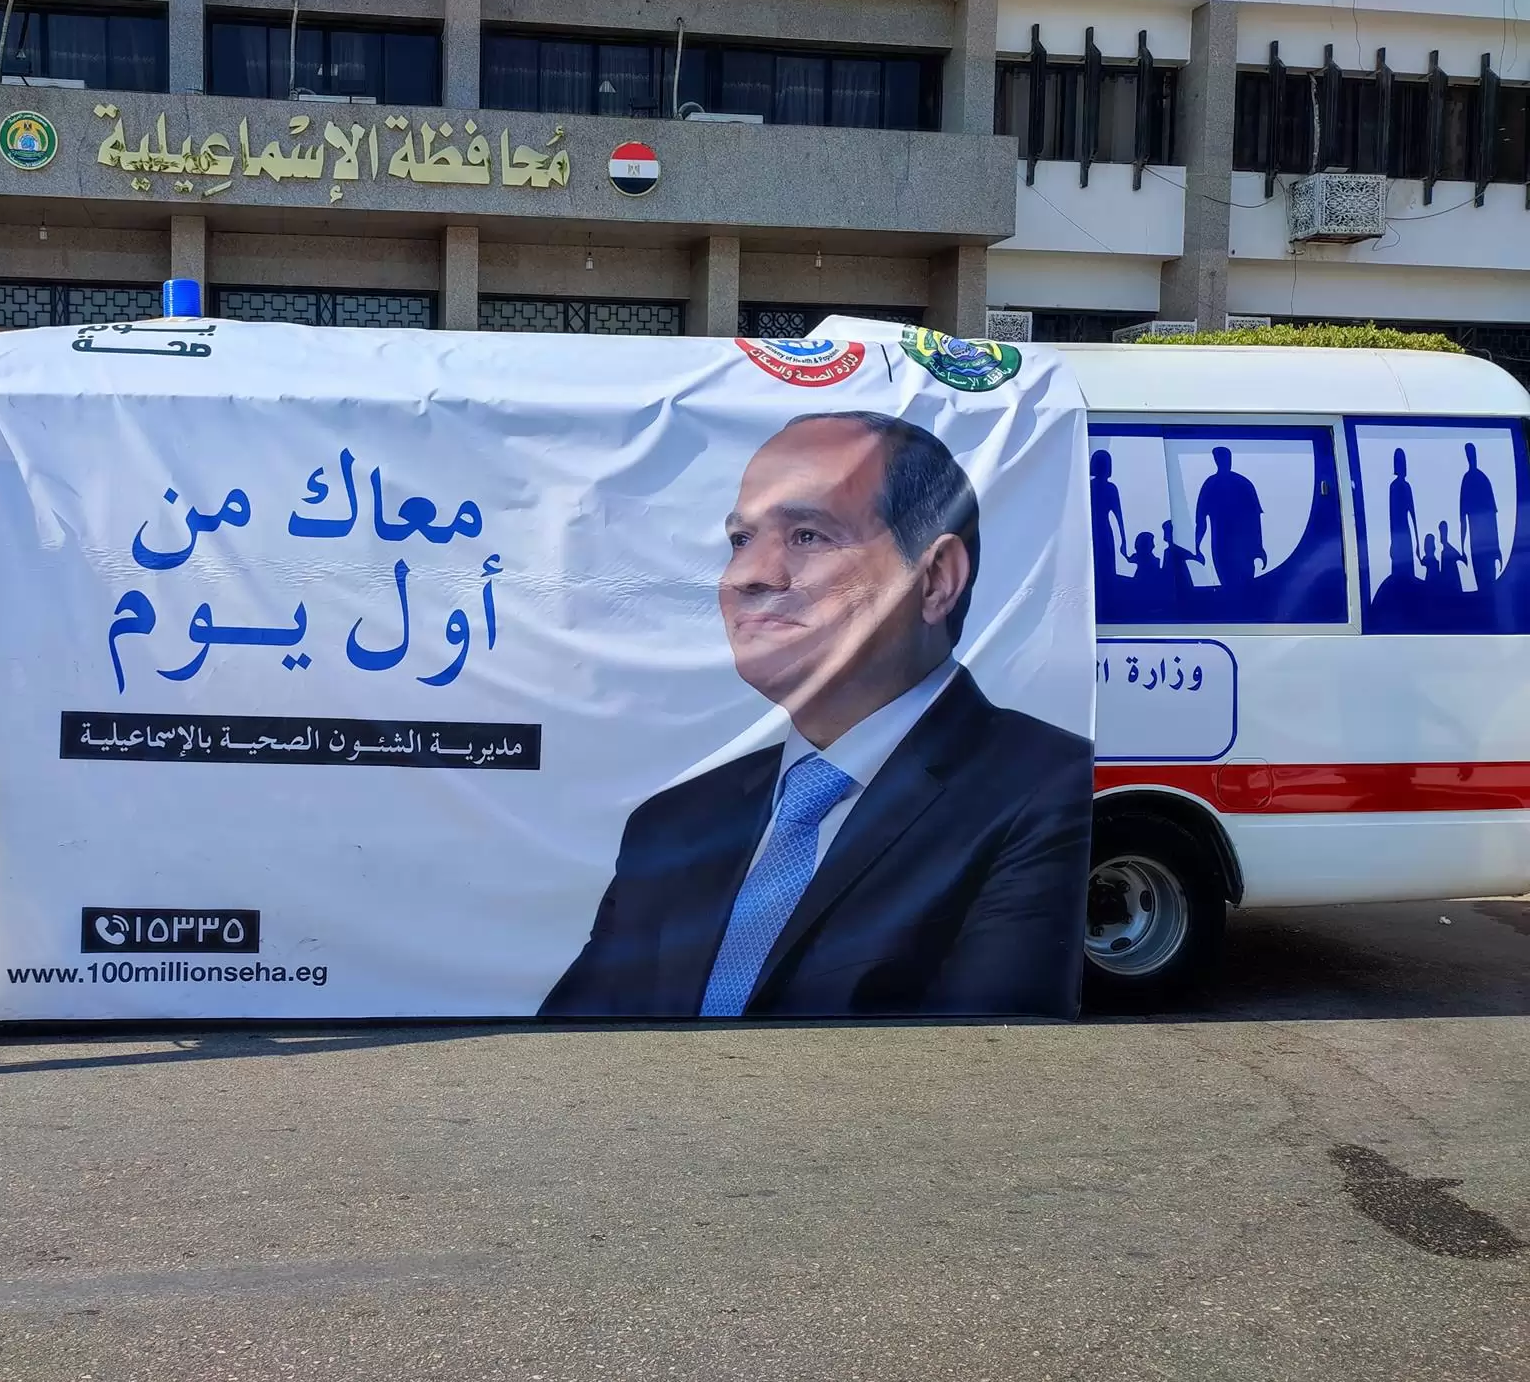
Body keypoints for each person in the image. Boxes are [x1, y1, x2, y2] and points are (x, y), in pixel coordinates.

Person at [541, 412, 1092, 1022]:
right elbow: (574, 1038)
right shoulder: (673, 825)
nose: (747, 576)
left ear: (937, 579)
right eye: (740, 540)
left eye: (807, 535)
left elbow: (989, 1053)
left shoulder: (1046, 791)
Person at [1193, 446, 1266, 592]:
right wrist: (1197, 546)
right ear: (1216, 461)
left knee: (1246, 584)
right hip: (1221, 543)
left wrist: (1258, 546)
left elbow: (1255, 518)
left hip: (1243, 544)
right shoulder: (1210, 485)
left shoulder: (1243, 484)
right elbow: (1201, 521)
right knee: (1227, 582)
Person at [1459, 442, 1502, 594]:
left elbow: (1492, 518)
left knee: (1490, 586)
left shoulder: (1483, 479)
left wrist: (1497, 548)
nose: (1472, 458)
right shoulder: (1467, 480)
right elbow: (1462, 517)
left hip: (1488, 543)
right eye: (1469, 455)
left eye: (1473, 454)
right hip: (1476, 543)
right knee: (1481, 584)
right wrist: (1462, 546)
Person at [1089, 449, 1129, 586]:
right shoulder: (1105, 488)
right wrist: (1124, 541)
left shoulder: (1094, 487)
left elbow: (1119, 516)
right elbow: (1119, 517)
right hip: (1100, 530)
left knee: (1103, 565)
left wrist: (1124, 541)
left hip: (1099, 530)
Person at [1386, 448, 1419, 581]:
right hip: (1399, 533)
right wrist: (1392, 541)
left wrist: (1417, 542)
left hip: (1403, 533)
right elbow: (1392, 517)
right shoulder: (1394, 487)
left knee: (1406, 568)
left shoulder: (1404, 487)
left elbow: (1413, 515)